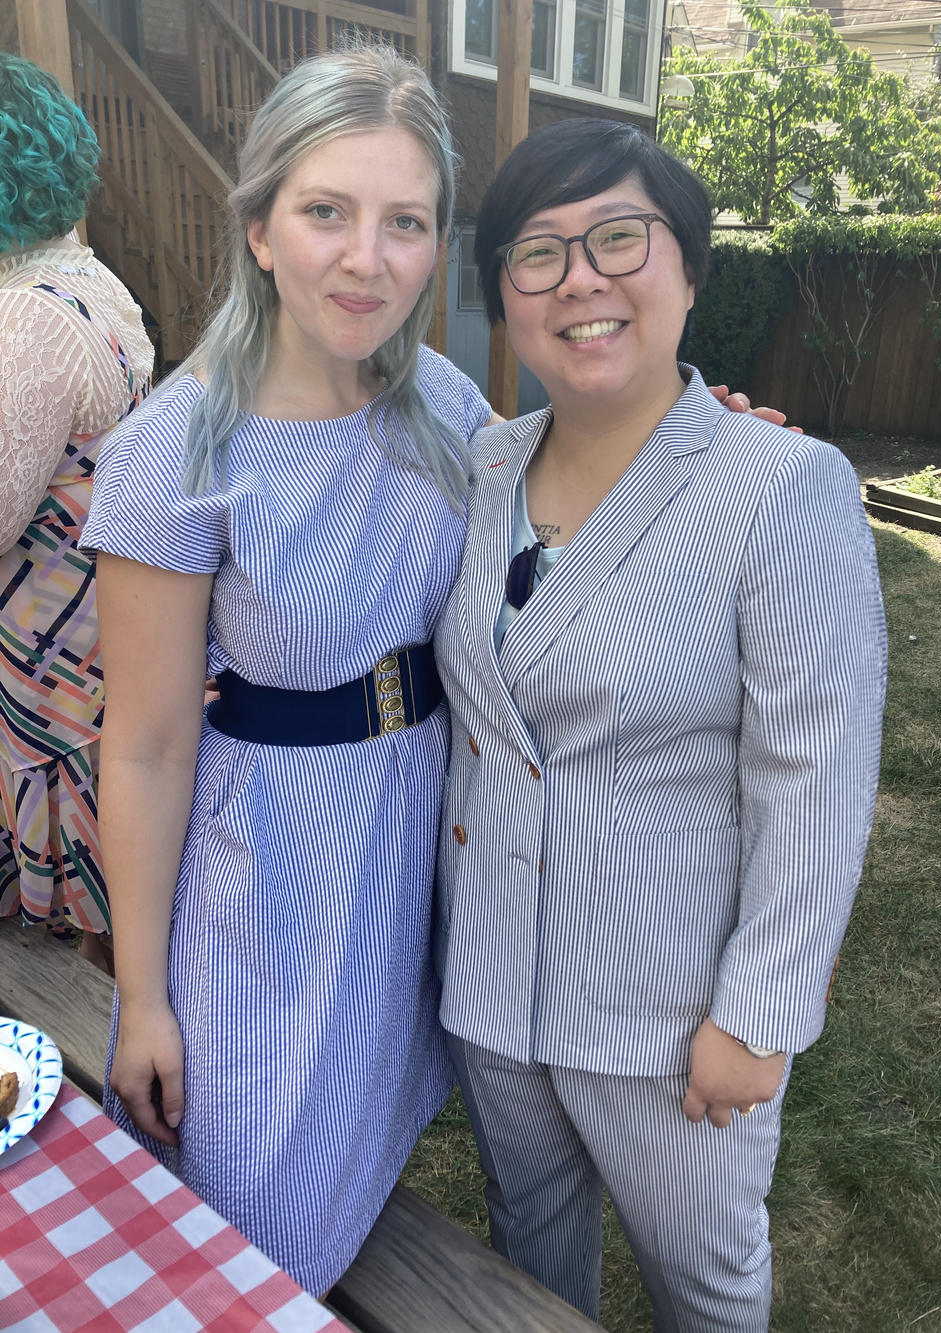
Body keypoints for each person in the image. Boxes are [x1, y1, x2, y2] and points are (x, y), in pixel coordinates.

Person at [433, 119, 887, 1332]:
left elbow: (817, 779)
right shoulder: (480, 468)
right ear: (504, 302)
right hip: (492, 982)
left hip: (671, 1013)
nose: (580, 278)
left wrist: (760, 1017)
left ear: (688, 270)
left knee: (703, 1281)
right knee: (524, 1254)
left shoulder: (782, 485)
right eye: (537, 253)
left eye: (619, 238)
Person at [78, 46, 495, 1294]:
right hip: (272, 880)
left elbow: (574, 523)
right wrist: (144, 999)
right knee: (251, 1218)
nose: (368, 259)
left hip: (413, 841)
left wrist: (712, 446)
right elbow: (145, 746)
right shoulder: (179, 450)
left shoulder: (447, 407)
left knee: (359, 1179)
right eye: (327, 212)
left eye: (404, 222)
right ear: (260, 227)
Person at [0, 54, 154, 969]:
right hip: (94, 649)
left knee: (77, 949)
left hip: (56, 679)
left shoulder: (28, 321)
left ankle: (92, 1100)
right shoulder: (86, 279)